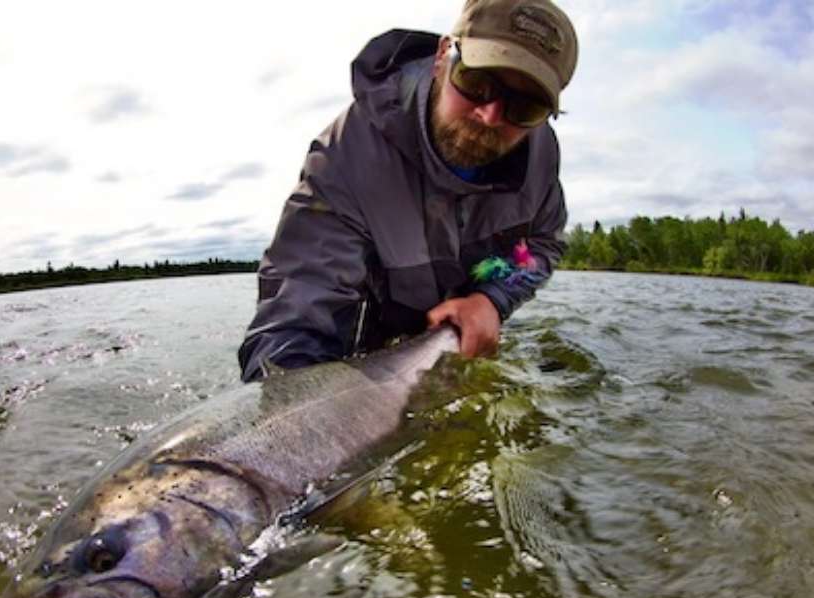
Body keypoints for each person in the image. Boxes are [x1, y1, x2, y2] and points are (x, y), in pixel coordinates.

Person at [238, 0, 578, 382]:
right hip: (372, 352)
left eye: (526, 108)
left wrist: (491, 300)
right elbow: (301, 300)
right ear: (442, 56)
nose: (490, 116)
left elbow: (539, 247)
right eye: (476, 82)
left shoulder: (541, 157)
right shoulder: (345, 157)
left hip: (467, 336)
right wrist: (285, 393)